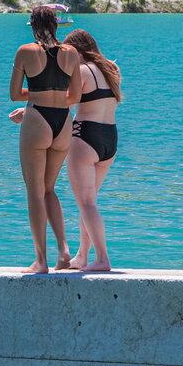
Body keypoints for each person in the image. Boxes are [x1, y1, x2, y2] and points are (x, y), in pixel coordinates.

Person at [8, 4, 83, 274]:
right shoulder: (71, 53)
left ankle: (40, 260)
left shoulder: (25, 52)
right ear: (56, 25)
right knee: (49, 188)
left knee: (34, 190)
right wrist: (53, 93)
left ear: (34, 26)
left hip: (38, 119)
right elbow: (74, 96)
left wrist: (38, 95)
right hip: (63, 121)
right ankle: (63, 250)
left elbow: (15, 94)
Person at [63, 29, 121, 272]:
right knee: (89, 203)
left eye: (69, 53)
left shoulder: (82, 71)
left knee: (86, 203)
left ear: (78, 51)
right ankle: (82, 256)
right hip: (109, 138)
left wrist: (30, 113)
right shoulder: (112, 70)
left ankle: (102, 259)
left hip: (85, 135)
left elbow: (63, 101)